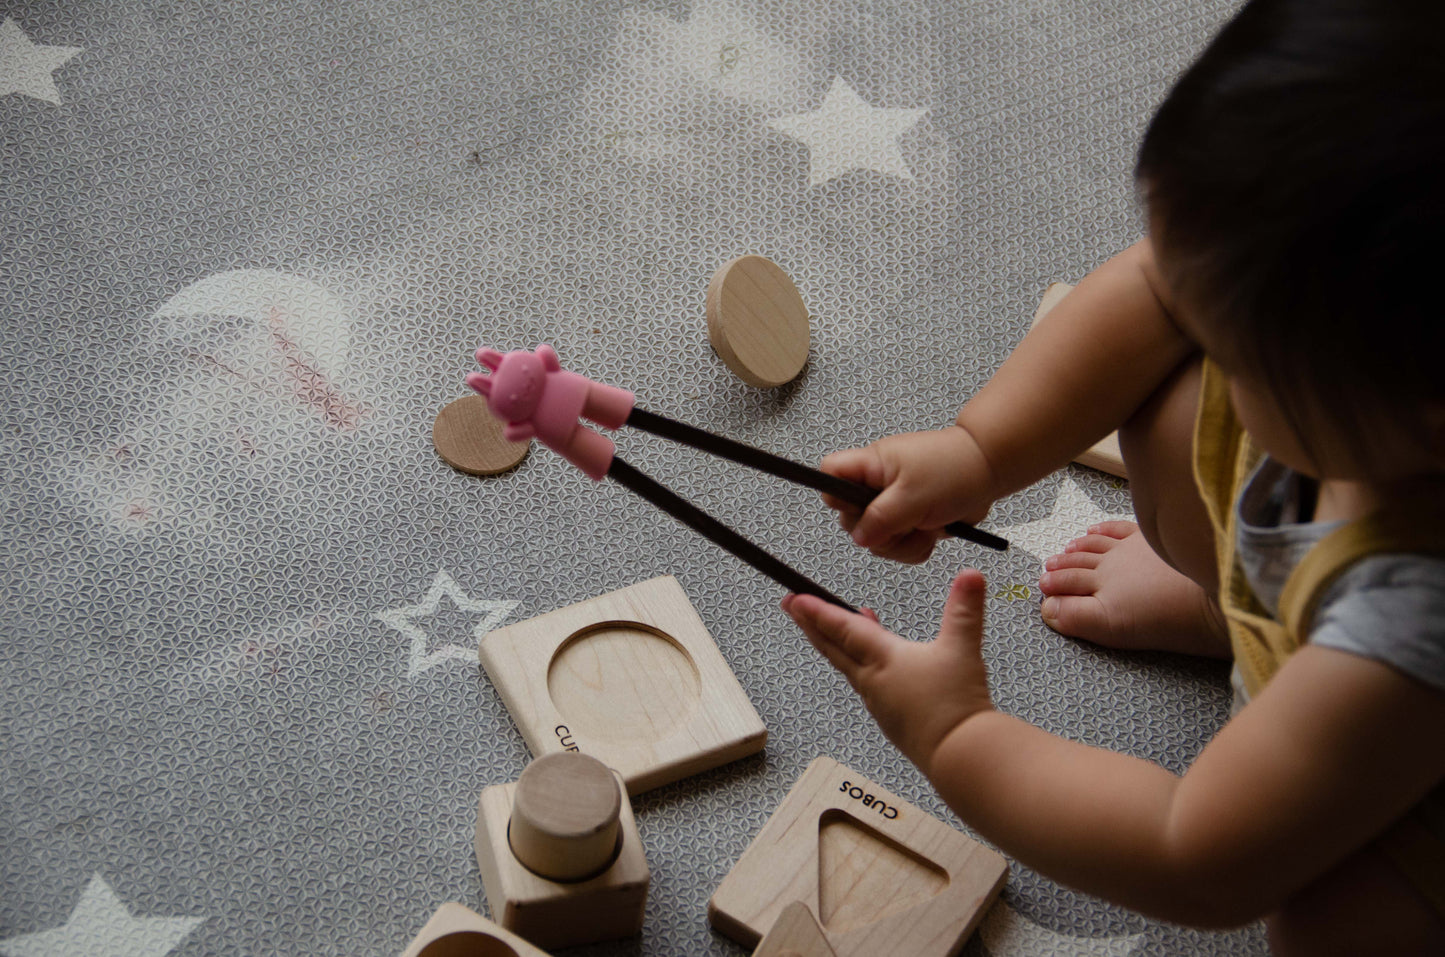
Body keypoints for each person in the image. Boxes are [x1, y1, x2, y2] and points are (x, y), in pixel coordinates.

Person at [780, 1, 1445, 952]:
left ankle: (1264, 640)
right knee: (1172, 409)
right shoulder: (1362, 344)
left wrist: (957, 736)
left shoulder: (1409, 627)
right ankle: (1233, 613)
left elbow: (1196, 855)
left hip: (1409, 774)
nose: (1191, 323)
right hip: (1343, 578)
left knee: (1334, 919)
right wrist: (979, 453)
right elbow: (1149, 291)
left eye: (1237, 349)